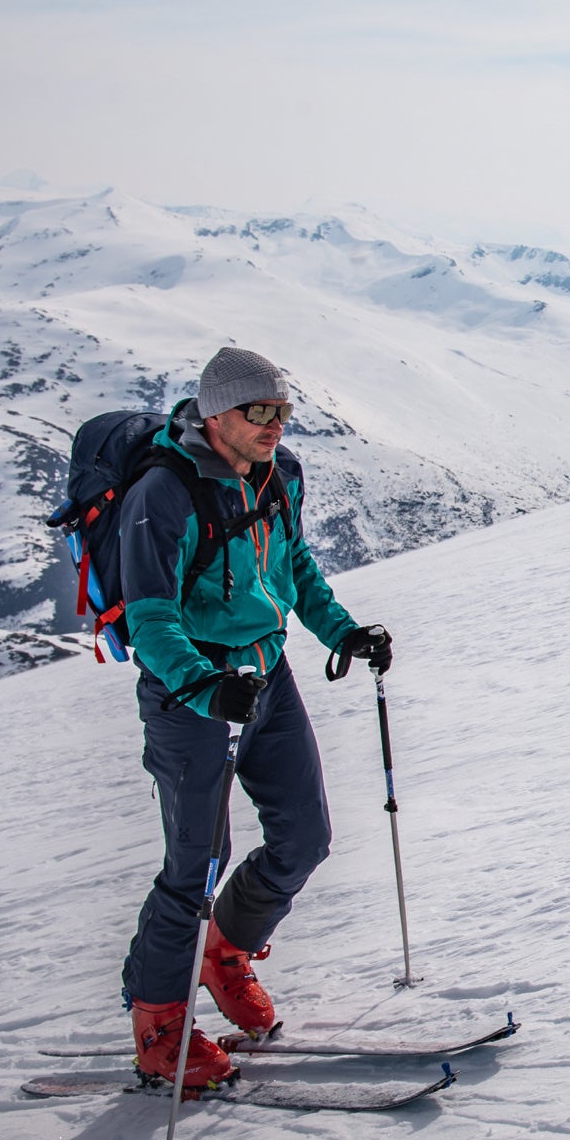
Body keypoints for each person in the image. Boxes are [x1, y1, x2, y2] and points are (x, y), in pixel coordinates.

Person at [118, 346, 393, 1087]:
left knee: (305, 837)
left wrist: (343, 632)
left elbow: (293, 565)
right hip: (193, 696)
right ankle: (159, 1022)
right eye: (259, 411)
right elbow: (148, 617)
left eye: (283, 410)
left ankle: (225, 952)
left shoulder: (282, 473)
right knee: (192, 868)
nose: (276, 424)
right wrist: (205, 688)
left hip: (266, 677)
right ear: (216, 415)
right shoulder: (163, 494)